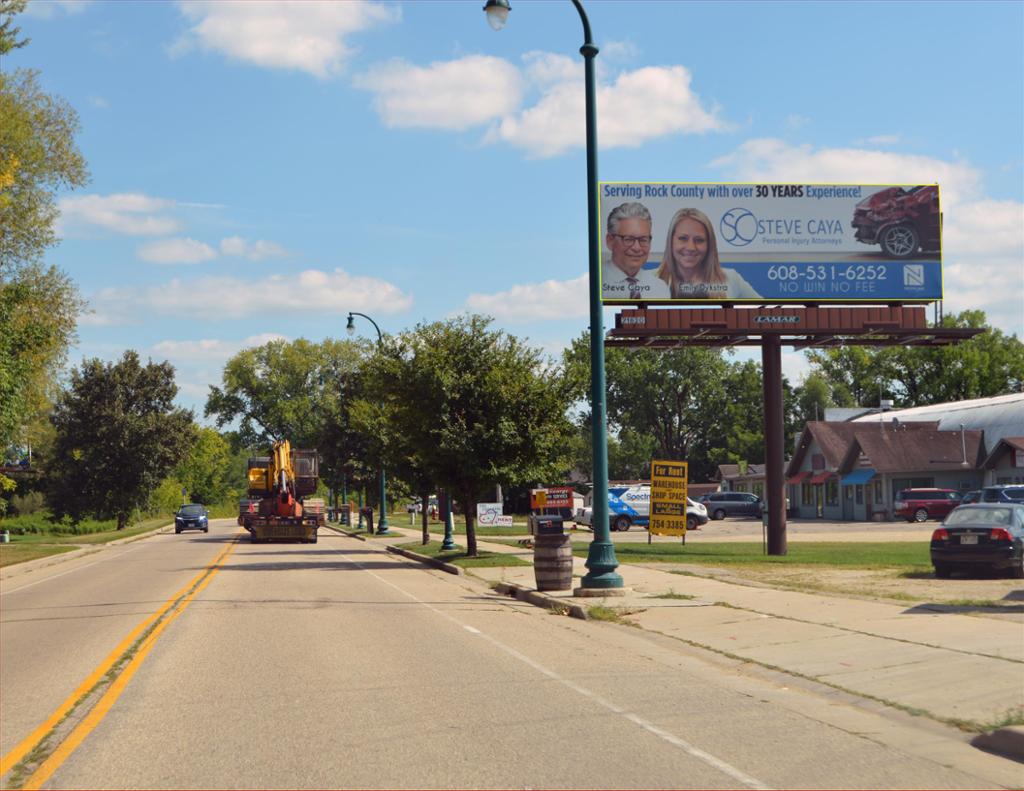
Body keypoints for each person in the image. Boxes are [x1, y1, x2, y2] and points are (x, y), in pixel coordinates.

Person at [656, 208, 761, 299]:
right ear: (671, 241)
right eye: (683, 238)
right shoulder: (649, 280)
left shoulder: (731, 279)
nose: (691, 247)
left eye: (699, 240)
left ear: (710, 244)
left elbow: (767, 314)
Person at [602, 202, 670, 300]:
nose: (637, 248)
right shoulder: (596, 282)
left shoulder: (660, 288)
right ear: (610, 241)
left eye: (643, 239)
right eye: (628, 239)